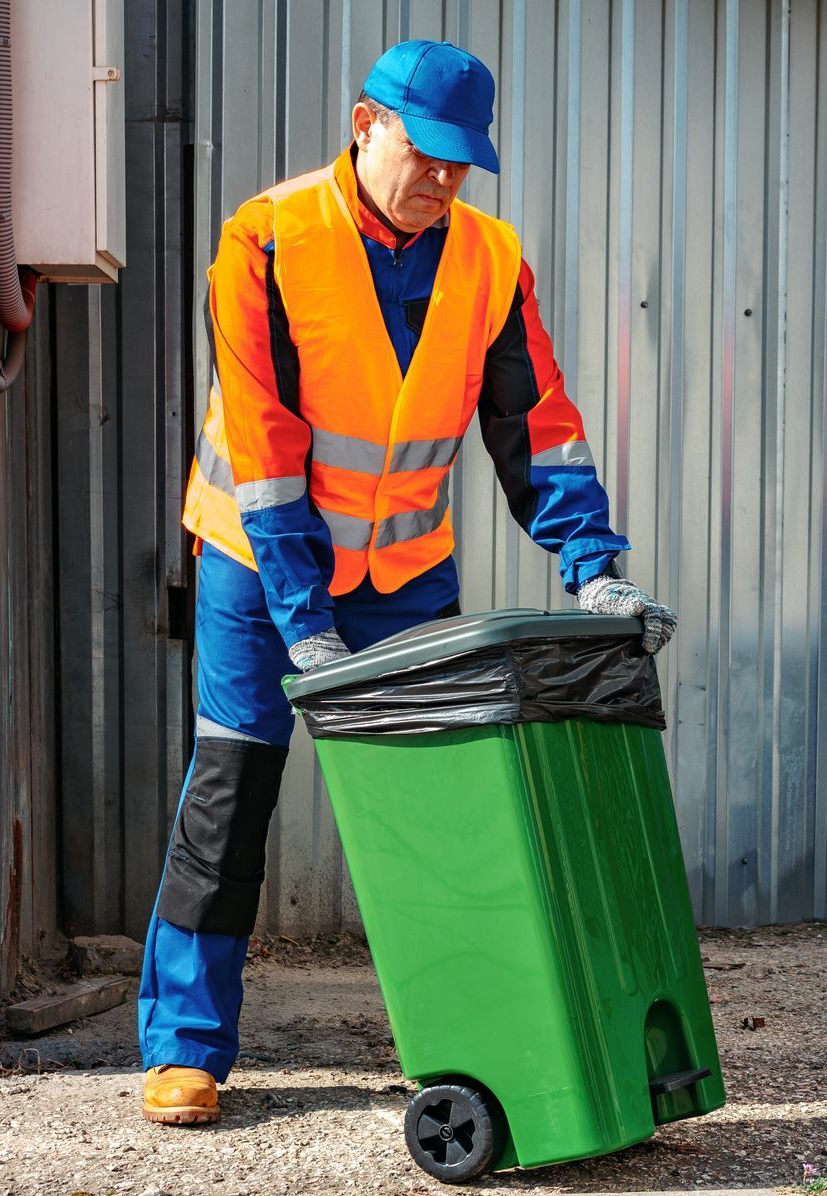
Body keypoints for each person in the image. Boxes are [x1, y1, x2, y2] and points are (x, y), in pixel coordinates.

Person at [137, 40, 674, 1125]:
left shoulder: (488, 257)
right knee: (232, 791)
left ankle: (472, 1040)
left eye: (461, 164)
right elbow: (266, 446)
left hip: (405, 574)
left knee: (442, 811)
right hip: (258, 565)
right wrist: (305, 621)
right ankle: (185, 1045)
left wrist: (594, 569)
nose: (440, 180)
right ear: (364, 122)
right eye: (424, 153)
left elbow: (539, 427)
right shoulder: (266, 239)